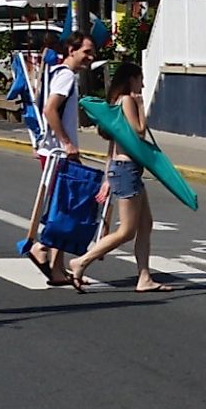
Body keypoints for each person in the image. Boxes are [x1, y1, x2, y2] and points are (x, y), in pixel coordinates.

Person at [68, 61, 173, 293]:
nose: (143, 83)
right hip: (126, 171)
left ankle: (144, 277)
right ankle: (82, 261)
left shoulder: (116, 102)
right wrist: (141, 106)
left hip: (122, 169)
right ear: (131, 79)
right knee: (127, 230)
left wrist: (107, 176)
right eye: (140, 78)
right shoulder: (126, 100)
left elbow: (115, 143)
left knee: (145, 224)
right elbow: (138, 132)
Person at [24, 30, 98, 284]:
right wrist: (67, 143)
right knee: (64, 208)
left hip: (52, 150)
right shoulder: (65, 76)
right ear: (71, 51)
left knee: (64, 207)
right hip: (58, 152)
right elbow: (49, 109)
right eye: (86, 52)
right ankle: (41, 247)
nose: (90, 57)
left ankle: (57, 269)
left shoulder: (57, 74)